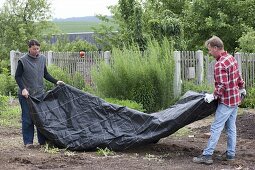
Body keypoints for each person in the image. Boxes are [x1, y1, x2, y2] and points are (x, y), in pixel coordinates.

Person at [193, 36, 246, 165]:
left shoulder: (220, 63)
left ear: (216, 48)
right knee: (231, 128)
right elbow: (238, 76)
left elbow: (222, 85)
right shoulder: (231, 58)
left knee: (216, 127)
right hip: (235, 99)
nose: (209, 52)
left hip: (227, 101)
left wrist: (213, 96)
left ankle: (207, 155)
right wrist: (242, 88)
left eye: (210, 50)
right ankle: (230, 154)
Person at [15, 39, 64, 149]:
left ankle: (43, 141)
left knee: (41, 118)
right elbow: (17, 76)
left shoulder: (42, 59)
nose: (36, 51)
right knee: (28, 118)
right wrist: (23, 89)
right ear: (29, 48)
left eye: (38, 49)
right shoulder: (23, 60)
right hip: (26, 95)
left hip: (39, 94)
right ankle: (28, 142)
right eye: (34, 49)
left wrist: (56, 81)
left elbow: (45, 74)